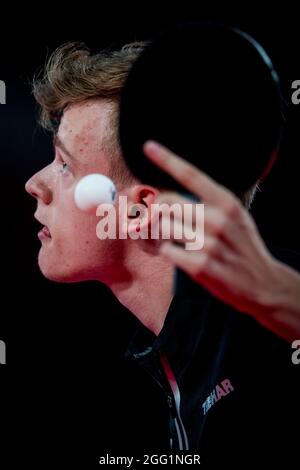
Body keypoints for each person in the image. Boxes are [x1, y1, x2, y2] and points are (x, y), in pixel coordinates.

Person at [25, 40, 299, 465]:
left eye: (65, 165)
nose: (34, 184)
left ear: (142, 208)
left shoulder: (273, 323)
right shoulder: (172, 356)